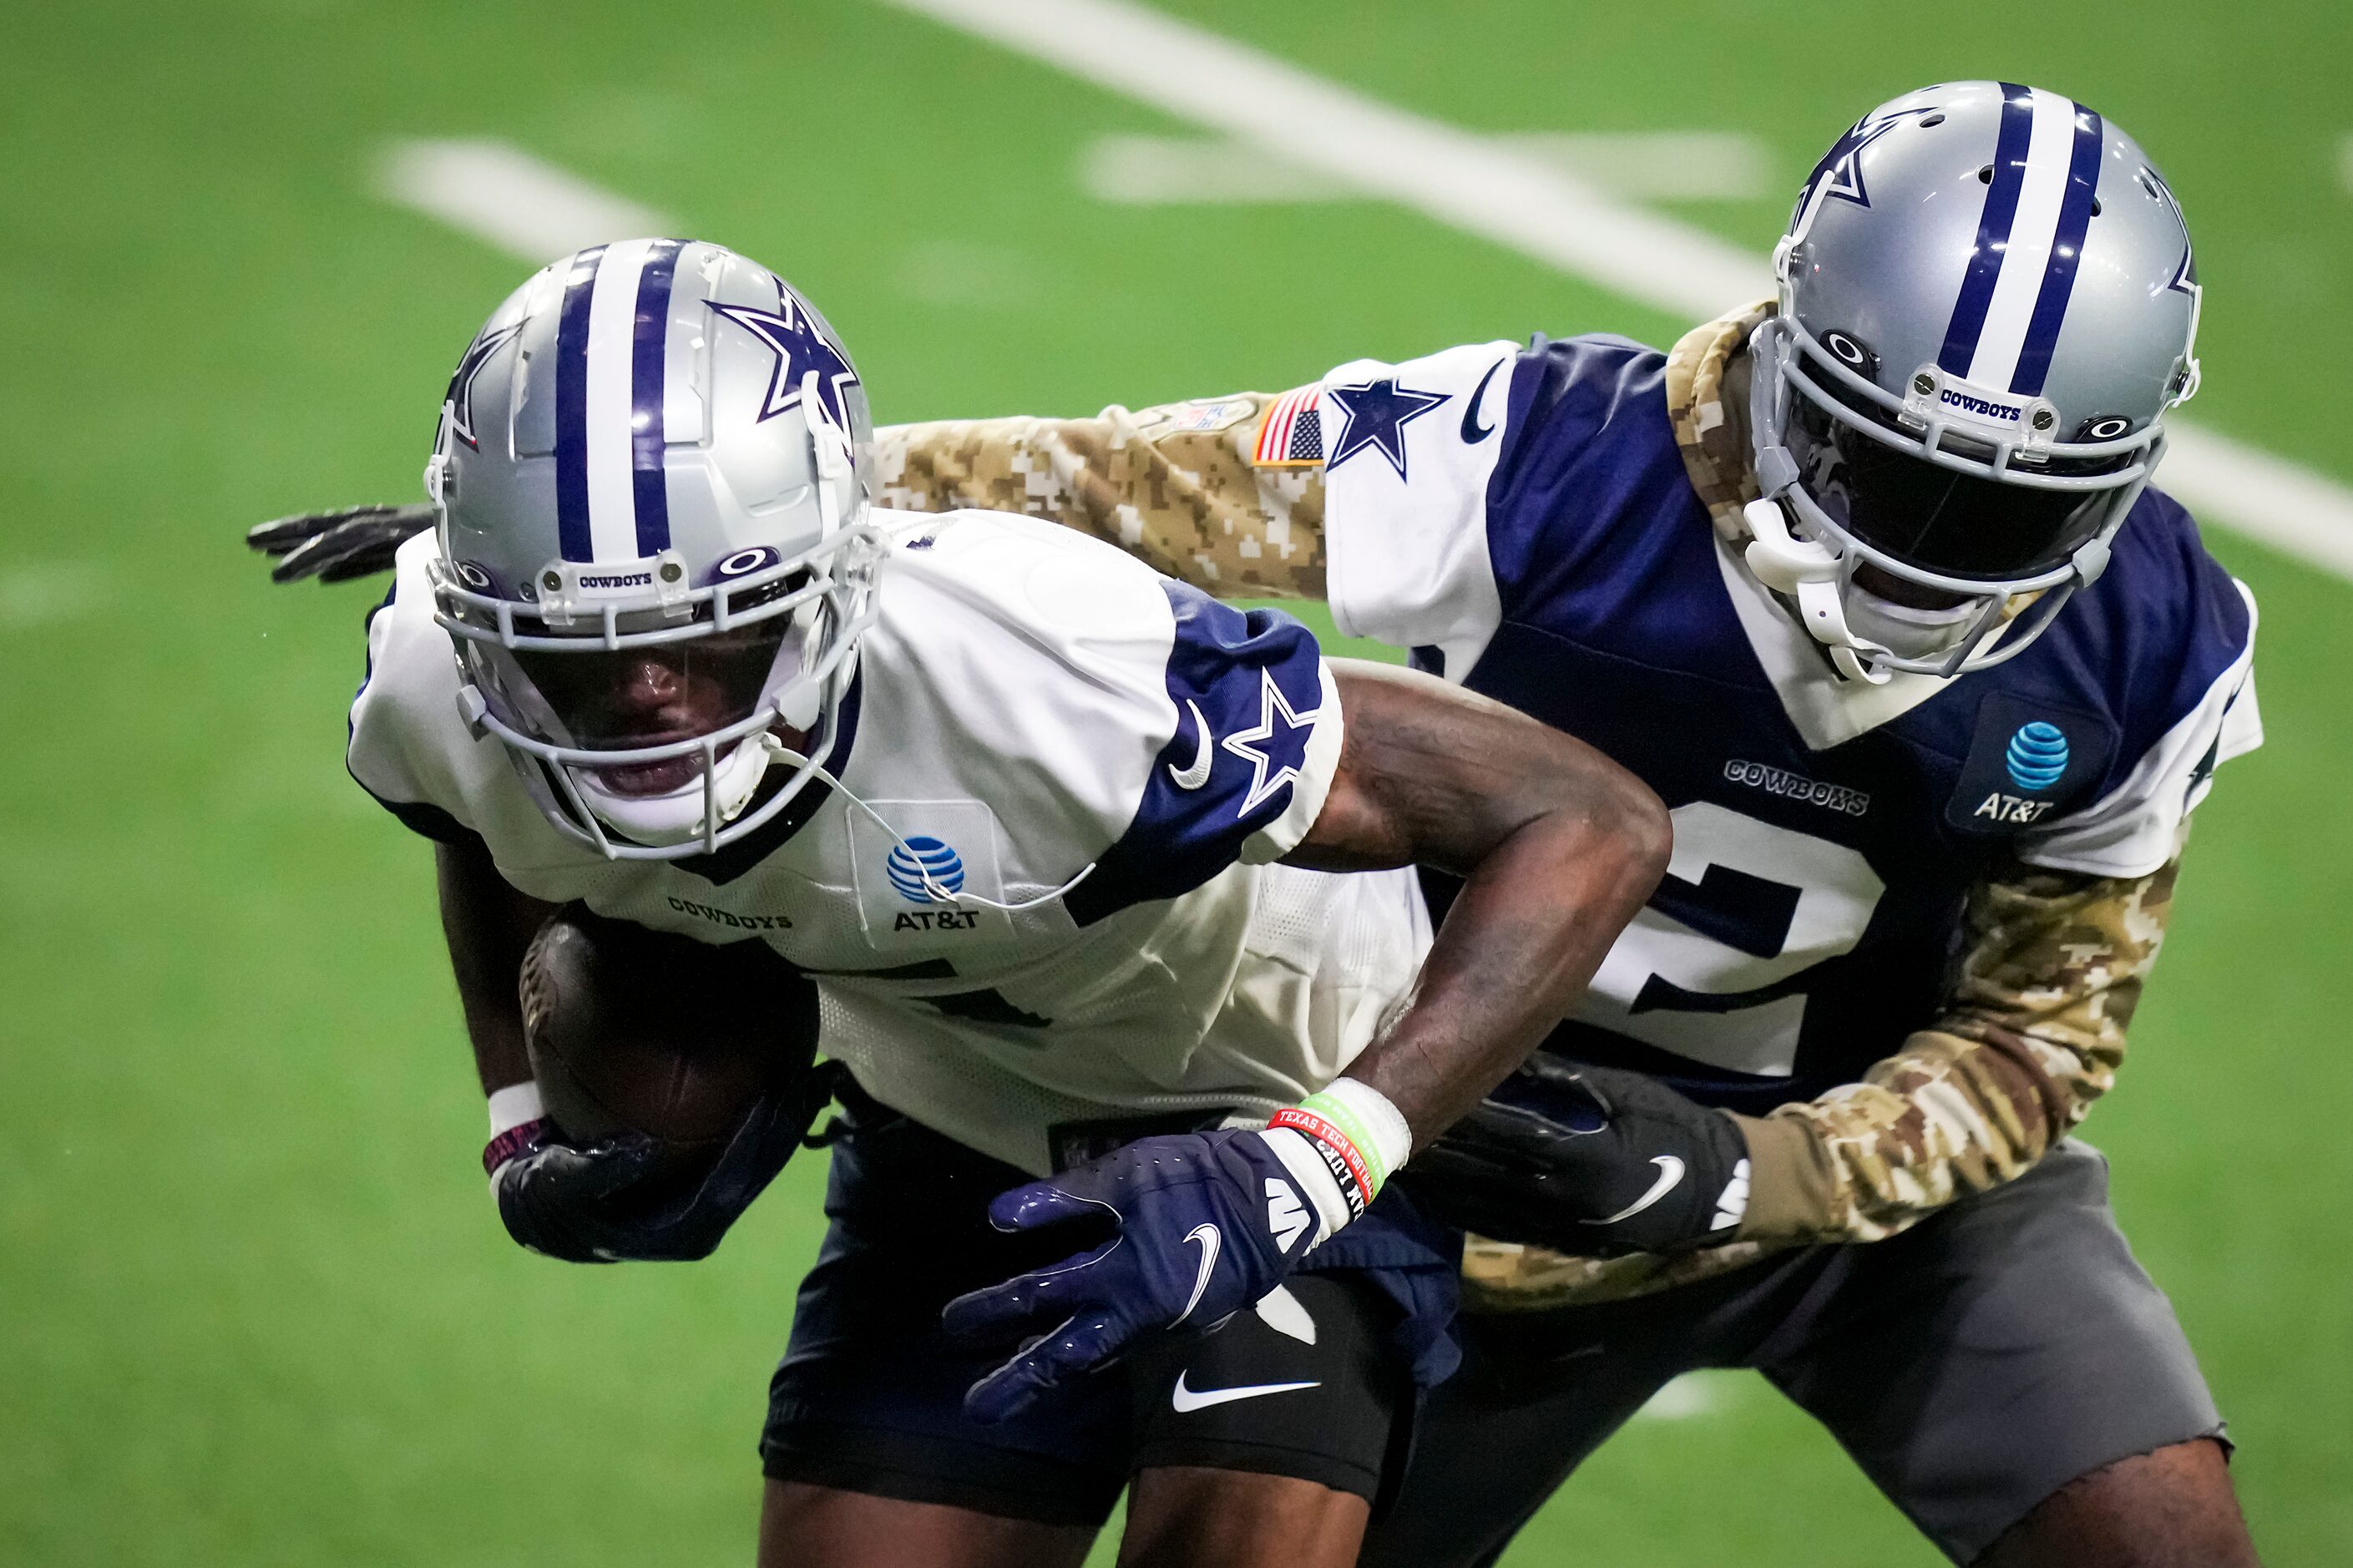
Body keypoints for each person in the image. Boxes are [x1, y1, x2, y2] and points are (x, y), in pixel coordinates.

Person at [787, 83, 2270, 1566]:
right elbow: (1106, 489)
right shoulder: (1522, 457)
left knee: (2168, 1544)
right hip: (1436, 1160)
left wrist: (1758, 1171)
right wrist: (739, 523)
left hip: (1857, 1197)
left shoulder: (2154, 637)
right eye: (1887, 469)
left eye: (2007, 510)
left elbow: (2038, 1035)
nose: (1924, 562)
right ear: (1786, 351)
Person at [294, 238, 1668, 1568]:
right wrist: (517, 1119)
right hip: (954, 1119)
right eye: (581, 652)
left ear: (833, 575)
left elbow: (1586, 818)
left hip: (1273, 1098)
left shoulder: (1044, 679)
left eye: (704, 623)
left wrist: (1322, 1157)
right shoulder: (436, 683)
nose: (647, 691)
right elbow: (473, 813)